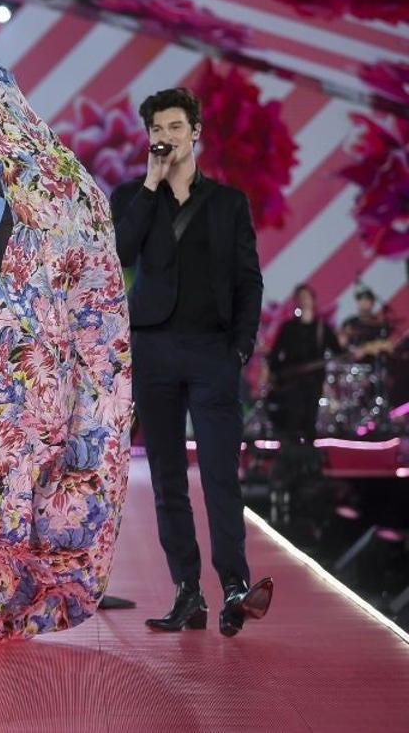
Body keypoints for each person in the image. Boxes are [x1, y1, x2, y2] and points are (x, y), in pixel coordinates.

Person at [110, 87, 273, 637]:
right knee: (166, 480)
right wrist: (151, 187)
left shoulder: (229, 204)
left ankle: (234, 587)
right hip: (153, 349)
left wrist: (241, 348)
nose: (166, 138)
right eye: (158, 129)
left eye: (176, 127)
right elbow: (119, 255)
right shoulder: (134, 195)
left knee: (222, 476)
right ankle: (187, 593)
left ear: (196, 131)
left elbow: (249, 281)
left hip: (212, 352)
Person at [268, 284, 340, 443]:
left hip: (313, 381)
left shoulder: (322, 328)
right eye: (301, 298)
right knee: (292, 419)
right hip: (291, 382)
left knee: (309, 420)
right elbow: (275, 353)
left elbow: (338, 351)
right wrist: (276, 374)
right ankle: (292, 458)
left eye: (307, 297)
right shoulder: (288, 327)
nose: (304, 301)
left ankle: (309, 459)